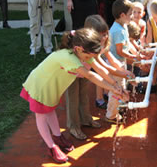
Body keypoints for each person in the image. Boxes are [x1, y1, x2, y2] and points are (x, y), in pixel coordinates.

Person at [20, 28, 125, 163]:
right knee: (41, 116)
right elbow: (90, 75)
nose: (89, 60)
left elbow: (100, 69)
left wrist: (115, 86)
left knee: (50, 110)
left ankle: (57, 137)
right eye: (88, 57)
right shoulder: (68, 57)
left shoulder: (82, 53)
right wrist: (112, 88)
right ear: (79, 49)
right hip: (40, 87)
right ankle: (51, 146)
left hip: (53, 87)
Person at [107, 0, 144, 123]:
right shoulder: (119, 31)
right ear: (122, 15)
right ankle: (111, 115)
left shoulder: (121, 26)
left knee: (121, 88)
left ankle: (117, 110)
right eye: (130, 14)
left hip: (118, 62)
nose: (132, 16)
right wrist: (134, 57)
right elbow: (120, 51)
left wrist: (137, 53)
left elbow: (127, 45)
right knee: (117, 89)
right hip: (116, 64)